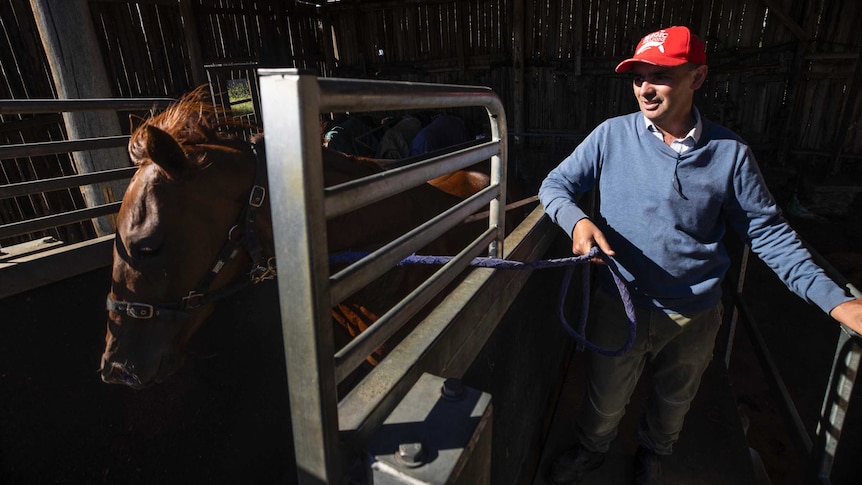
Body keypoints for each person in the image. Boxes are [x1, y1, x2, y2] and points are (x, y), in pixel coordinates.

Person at [538, 25, 862, 485]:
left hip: (695, 314)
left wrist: (835, 299)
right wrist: (577, 221)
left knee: (674, 400)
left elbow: (768, 233)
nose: (646, 88)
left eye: (662, 75)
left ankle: (653, 454)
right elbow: (555, 185)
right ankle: (593, 449)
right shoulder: (610, 137)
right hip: (621, 303)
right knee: (605, 396)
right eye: (638, 77)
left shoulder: (730, 155)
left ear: (699, 77)